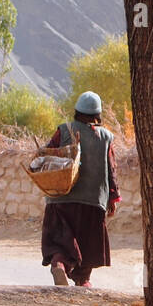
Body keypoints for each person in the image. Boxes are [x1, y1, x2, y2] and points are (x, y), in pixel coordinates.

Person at [40, 91, 120, 286]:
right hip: (93, 202)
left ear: (77, 111)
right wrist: (113, 198)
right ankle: (83, 280)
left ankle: (59, 264)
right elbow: (111, 170)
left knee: (62, 238)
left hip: (61, 198)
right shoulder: (106, 137)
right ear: (98, 114)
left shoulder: (64, 130)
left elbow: (48, 155)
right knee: (87, 241)